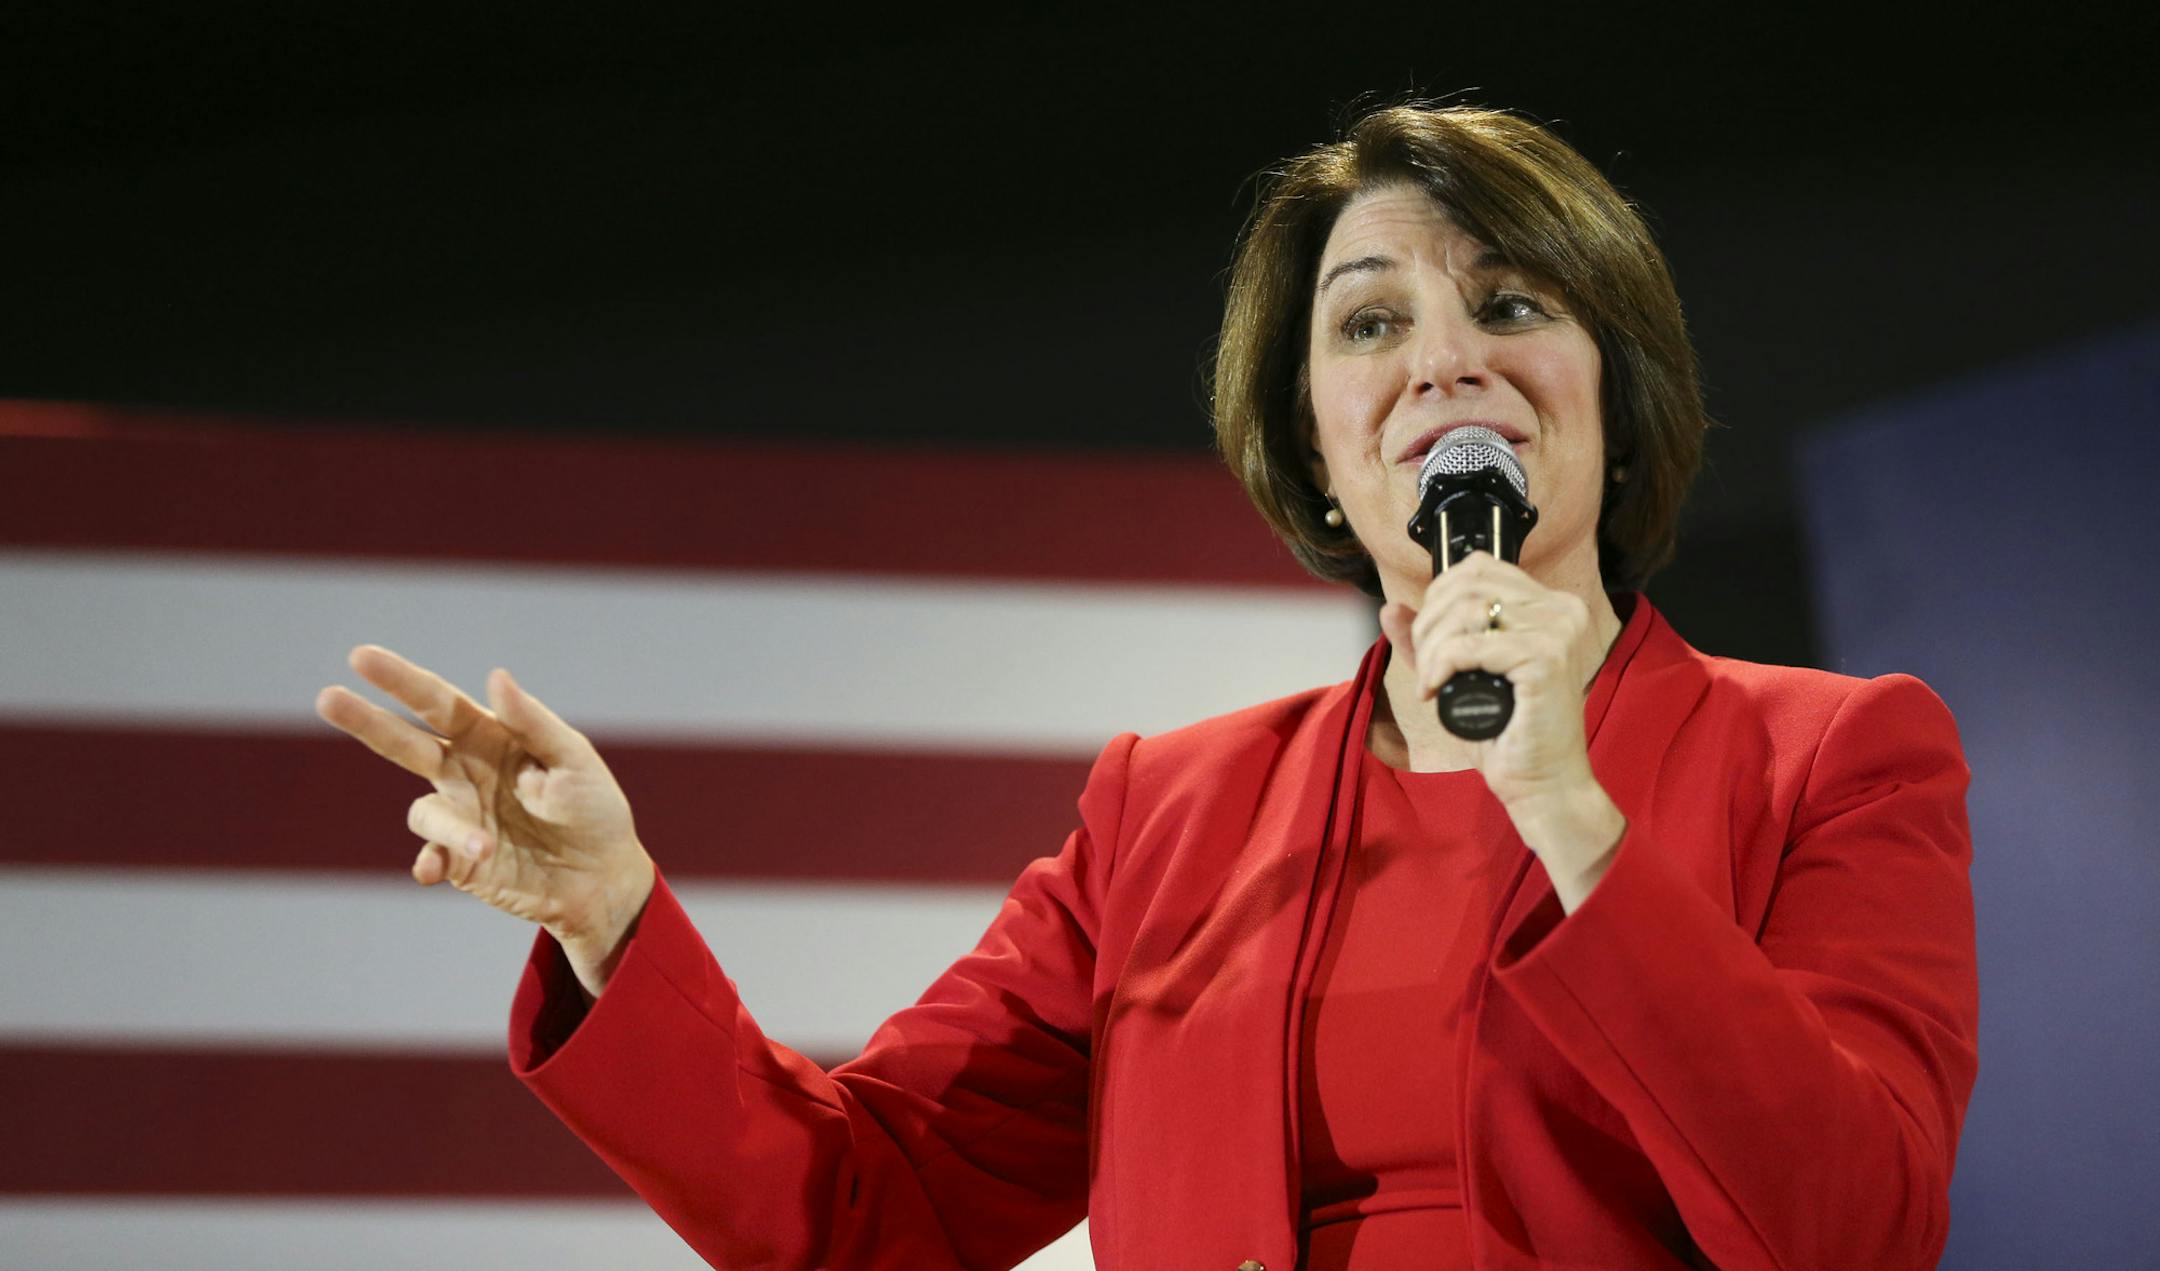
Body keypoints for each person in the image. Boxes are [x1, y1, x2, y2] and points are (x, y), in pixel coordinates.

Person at [315, 104, 1978, 1270]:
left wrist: (1572, 816)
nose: (1441, 362)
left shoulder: (1834, 759)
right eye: (1369, 324)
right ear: (1319, 449)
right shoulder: (1167, 813)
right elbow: (866, 1209)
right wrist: (612, 920)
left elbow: (1856, 1232)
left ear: (1615, 397)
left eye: (1512, 303)